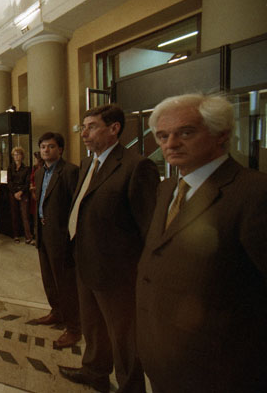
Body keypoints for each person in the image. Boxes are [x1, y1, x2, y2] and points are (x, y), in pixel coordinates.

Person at [136, 94, 267, 393]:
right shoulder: (168, 187)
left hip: (220, 367)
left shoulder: (255, 193)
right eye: (163, 136)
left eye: (185, 132)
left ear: (221, 134)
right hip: (162, 352)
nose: (171, 144)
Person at [58, 105, 159, 393]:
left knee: (123, 335)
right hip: (85, 259)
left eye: (91, 127)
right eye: (83, 127)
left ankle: (130, 386)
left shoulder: (136, 166)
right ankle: (95, 371)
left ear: (114, 128)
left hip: (117, 270)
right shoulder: (88, 164)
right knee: (92, 324)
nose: (83, 133)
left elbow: (148, 226)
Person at [30, 132, 81, 349]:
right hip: (43, 233)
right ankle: (57, 312)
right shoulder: (40, 172)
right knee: (49, 278)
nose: (46, 150)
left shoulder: (69, 171)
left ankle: (74, 327)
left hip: (61, 234)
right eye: (43, 147)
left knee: (65, 283)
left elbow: (75, 206)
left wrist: (70, 236)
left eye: (50, 146)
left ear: (60, 149)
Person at [7, 147, 34, 244]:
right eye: (15, 154)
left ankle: (28, 236)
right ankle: (16, 235)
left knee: (25, 215)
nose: (16, 156)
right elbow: (9, 182)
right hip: (13, 193)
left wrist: (20, 192)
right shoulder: (10, 168)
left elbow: (27, 183)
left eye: (18, 154)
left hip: (23, 193)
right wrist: (15, 193)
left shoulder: (26, 168)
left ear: (22, 156)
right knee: (14, 214)